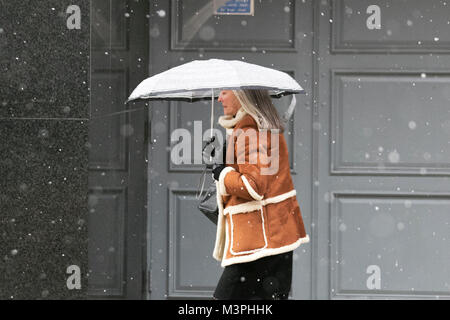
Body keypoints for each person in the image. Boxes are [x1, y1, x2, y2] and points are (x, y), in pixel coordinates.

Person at [211, 89, 309, 300]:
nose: (219, 98)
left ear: (242, 95)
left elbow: (253, 186)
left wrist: (222, 173)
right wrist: (225, 161)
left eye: (225, 92)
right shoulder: (261, 127)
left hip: (257, 241)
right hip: (275, 235)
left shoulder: (250, 130)